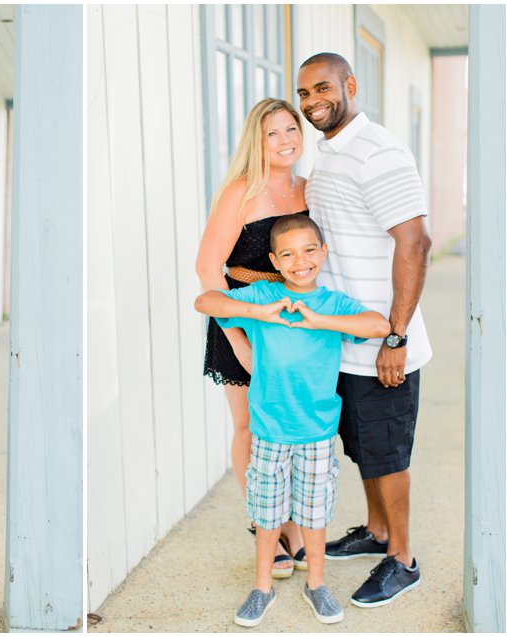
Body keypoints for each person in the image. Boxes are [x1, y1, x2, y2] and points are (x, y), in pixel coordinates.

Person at [195, 215, 390, 627]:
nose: (299, 261)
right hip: (268, 429)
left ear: (323, 253)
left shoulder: (333, 303)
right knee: (267, 516)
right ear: (274, 260)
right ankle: (261, 587)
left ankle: (316, 584)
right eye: (287, 254)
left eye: (308, 251)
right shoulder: (263, 295)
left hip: (317, 431)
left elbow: (379, 325)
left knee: (314, 516)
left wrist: (320, 321)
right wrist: (262, 313)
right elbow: (206, 302)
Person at [297, 52, 432, 607]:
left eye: (323, 88)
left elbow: (416, 242)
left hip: (384, 343)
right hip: (345, 340)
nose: (311, 103)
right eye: (303, 94)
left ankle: (401, 558)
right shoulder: (328, 153)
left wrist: (394, 337)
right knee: (363, 449)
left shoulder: (380, 152)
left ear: (351, 85)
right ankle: (375, 532)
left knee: (389, 453)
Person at [196, 98, 310, 575]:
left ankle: (296, 527)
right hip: (243, 320)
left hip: (296, 322)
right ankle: (269, 525)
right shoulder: (241, 192)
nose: (285, 141)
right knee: (251, 427)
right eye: (272, 133)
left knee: (296, 429)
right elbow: (208, 269)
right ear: (256, 142)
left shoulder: (310, 188)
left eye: (291, 130)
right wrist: (239, 338)